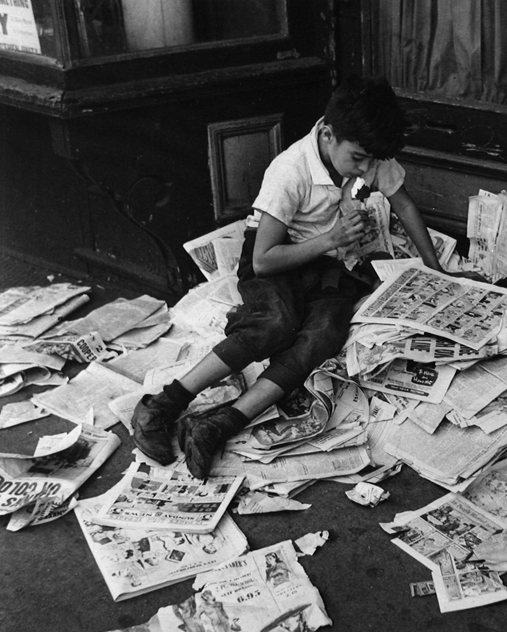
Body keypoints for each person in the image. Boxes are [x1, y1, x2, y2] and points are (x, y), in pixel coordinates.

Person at [132, 75, 444, 479]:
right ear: (328, 135)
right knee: (276, 323)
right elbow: (263, 261)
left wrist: (436, 270)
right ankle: (162, 405)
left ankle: (219, 424)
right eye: (358, 159)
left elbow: (403, 204)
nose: (366, 170)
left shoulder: (369, 154)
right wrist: (331, 237)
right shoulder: (291, 171)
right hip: (278, 256)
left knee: (324, 334)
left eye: (371, 162)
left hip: (327, 264)